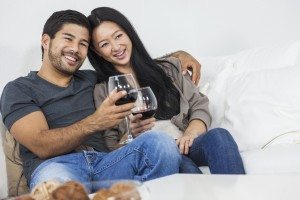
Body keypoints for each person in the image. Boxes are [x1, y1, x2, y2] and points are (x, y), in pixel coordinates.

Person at [0, 9, 202, 192]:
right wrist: (96, 121)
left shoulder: (92, 78)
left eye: (83, 44)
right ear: (46, 40)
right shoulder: (19, 89)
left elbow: (131, 63)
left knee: (161, 143)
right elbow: (41, 144)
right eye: (68, 39)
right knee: (58, 190)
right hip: (56, 167)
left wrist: (179, 56)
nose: (75, 49)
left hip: (109, 162)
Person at [88, 7, 245, 174]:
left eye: (118, 36)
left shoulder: (169, 67)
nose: (116, 46)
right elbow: (112, 146)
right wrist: (131, 134)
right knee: (186, 168)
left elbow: (199, 105)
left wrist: (191, 133)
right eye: (104, 44)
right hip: (156, 152)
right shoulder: (103, 91)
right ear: (97, 52)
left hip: (185, 142)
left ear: (128, 33)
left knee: (219, 136)